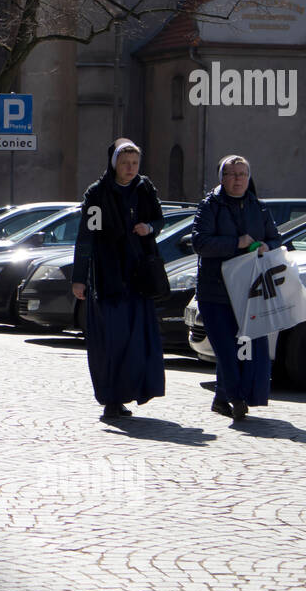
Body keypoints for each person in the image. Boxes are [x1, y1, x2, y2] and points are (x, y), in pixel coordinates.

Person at [71, 138, 167, 419]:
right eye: (125, 163)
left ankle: (136, 390)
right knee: (112, 341)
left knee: (139, 339)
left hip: (139, 274)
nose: (130, 168)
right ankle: (112, 398)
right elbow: (86, 238)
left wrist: (149, 227)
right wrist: (80, 278)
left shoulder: (144, 188)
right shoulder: (97, 194)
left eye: (135, 163)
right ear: (114, 164)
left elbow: (160, 220)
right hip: (108, 275)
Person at [190, 155, 283, 420]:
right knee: (226, 350)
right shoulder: (210, 206)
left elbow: (276, 238)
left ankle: (223, 398)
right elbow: (200, 243)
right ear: (221, 179)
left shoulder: (258, 206)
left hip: (249, 291)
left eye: (242, 174)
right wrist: (236, 243)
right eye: (231, 175)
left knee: (249, 349)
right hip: (215, 291)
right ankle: (236, 397)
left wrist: (268, 246)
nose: (237, 180)